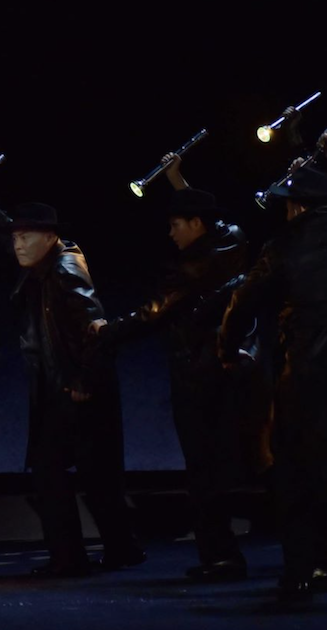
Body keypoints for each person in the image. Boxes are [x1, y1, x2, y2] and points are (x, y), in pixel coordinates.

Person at [94, 154, 268, 582]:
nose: (170, 233)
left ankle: (221, 557)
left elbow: (154, 313)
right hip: (235, 365)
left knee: (204, 468)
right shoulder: (234, 240)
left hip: (201, 371)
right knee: (241, 460)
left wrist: (105, 332)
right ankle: (232, 553)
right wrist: (177, 181)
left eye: (176, 224)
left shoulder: (192, 266)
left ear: (196, 224)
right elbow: (208, 220)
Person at [0, 174, 143, 577]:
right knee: (78, 474)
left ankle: (76, 557)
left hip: (76, 387)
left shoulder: (65, 269)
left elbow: (95, 329)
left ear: (49, 237)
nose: (17, 244)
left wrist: (83, 380)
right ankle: (115, 550)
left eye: (25, 237)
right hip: (57, 384)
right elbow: (6, 239)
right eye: (16, 237)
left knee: (67, 473)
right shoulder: (41, 261)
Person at [219, 165, 327, 602]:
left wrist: (227, 349)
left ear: (297, 207)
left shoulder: (285, 244)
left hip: (308, 375)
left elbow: (242, 302)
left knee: (295, 474)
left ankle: (308, 570)